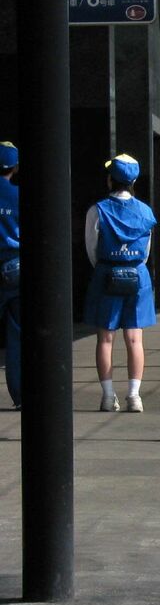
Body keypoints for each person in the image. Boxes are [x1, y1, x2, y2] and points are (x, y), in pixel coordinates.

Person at [84, 154, 158, 413]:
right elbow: (146, 252)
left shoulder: (98, 209)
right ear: (134, 180)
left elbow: (91, 249)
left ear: (109, 180)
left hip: (106, 273)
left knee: (105, 339)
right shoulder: (146, 212)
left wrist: (107, 265)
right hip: (138, 276)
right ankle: (135, 396)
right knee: (135, 339)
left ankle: (107, 396)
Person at [0, 142, 20, 410]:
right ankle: (20, 395)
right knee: (16, 334)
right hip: (14, 266)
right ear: (15, 167)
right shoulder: (18, 195)